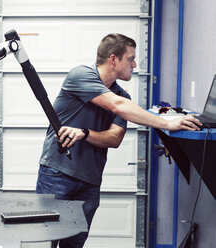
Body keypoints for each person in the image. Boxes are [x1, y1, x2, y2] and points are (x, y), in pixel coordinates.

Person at [35, 33, 201, 248]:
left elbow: (114, 138)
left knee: (74, 244)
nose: (134, 65)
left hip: (90, 180)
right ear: (113, 59)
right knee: (42, 240)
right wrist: (168, 123)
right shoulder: (80, 75)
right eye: (130, 59)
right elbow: (116, 106)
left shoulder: (123, 96)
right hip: (57, 173)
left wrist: (85, 133)